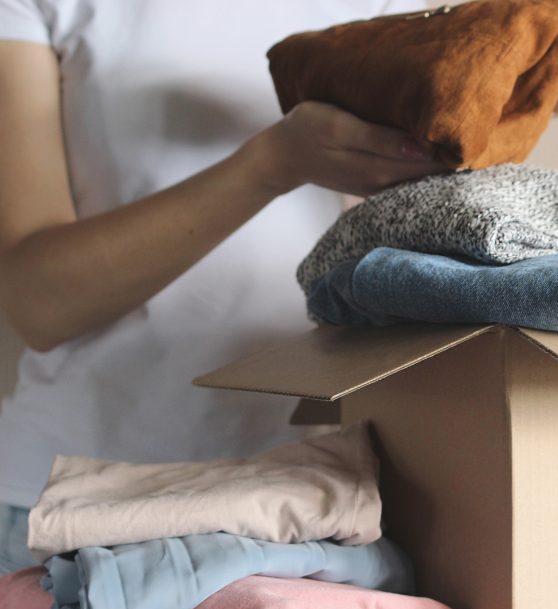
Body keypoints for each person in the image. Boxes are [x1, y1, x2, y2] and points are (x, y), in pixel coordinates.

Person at [0, 0, 451, 574]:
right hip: (74, 507)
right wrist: (272, 164)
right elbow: (39, 304)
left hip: (324, 503)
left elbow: (410, 257)